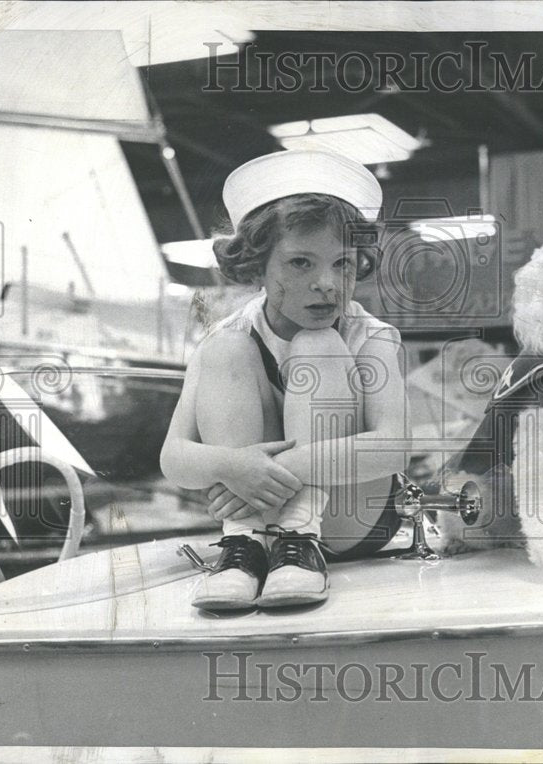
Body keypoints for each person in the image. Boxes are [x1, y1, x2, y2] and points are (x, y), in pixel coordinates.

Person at [160, 149, 408, 610]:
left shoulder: (369, 335)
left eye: (343, 264)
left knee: (319, 344)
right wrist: (232, 466)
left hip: (352, 518)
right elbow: (174, 458)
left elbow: (393, 446)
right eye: (300, 263)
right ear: (257, 266)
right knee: (226, 348)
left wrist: (269, 471)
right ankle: (243, 550)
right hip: (258, 518)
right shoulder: (227, 336)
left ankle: (299, 540)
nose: (327, 284)